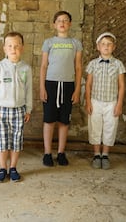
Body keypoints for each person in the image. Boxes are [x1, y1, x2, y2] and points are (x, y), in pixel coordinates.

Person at [0, 32, 32, 182]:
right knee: (2, 141)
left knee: (16, 140)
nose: (13, 49)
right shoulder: (0, 67)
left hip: (19, 110)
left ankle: (13, 168)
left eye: (17, 46)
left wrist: (28, 108)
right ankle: (3, 168)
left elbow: (28, 89)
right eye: (10, 46)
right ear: (5, 48)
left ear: (22, 48)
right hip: (2, 110)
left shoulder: (26, 68)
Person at [40, 11, 82, 166]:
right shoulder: (49, 42)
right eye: (59, 20)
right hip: (51, 84)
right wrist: (42, 87)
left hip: (68, 85)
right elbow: (44, 66)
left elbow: (78, 67)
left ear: (70, 24)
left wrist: (77, 89)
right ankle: (47, 153)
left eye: (65, 20)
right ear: (54, 24)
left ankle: (61, 152)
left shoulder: (75, 43)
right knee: (49, 120)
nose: (62, 23)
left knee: (64, 121)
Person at [85, 32, 126, 169]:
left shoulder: (118, 64)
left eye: (109, 44)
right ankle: (96, 154)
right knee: (95, 127)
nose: (106, 47)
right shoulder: (93, 64)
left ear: (114, 47)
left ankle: (105, 155)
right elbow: (89, 84)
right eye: (103, 44)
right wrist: (88, 102)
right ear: (98, 47)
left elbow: (121, 86)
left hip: (111, 102)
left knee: (110, 127)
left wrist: (119, 104)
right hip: (96, 101)